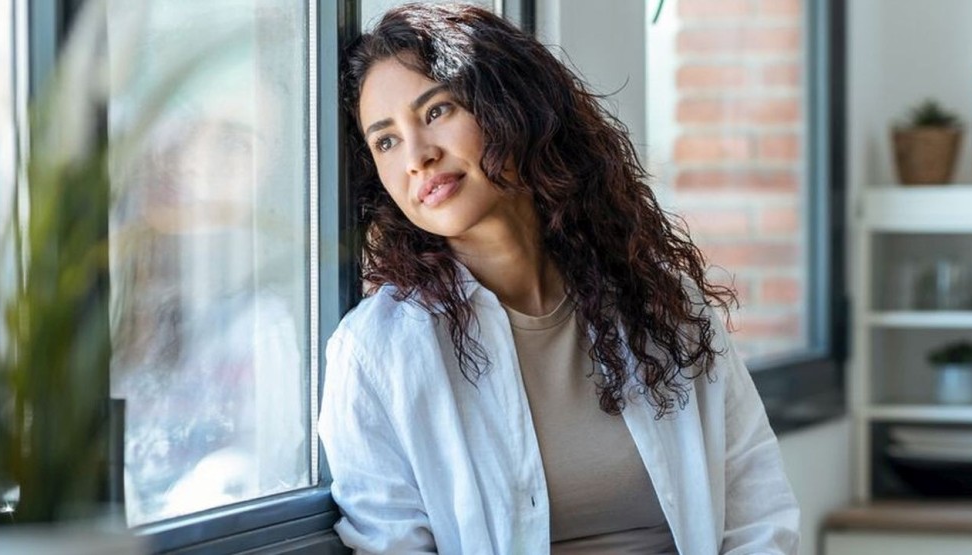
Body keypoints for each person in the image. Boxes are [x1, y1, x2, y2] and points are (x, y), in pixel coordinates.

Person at [317, 4, 800, 554]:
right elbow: (392, 546)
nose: (417, 157)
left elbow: (757, 511)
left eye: (436, 111)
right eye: (386, 141)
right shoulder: (376, 353)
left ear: (511, 108)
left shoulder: (666, 306)